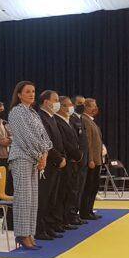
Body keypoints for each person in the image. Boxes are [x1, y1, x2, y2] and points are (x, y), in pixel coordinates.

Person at [6, 81, 51, 250]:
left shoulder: (33, 112)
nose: (32, 94)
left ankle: (30, 233)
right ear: (19, 95)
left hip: (35, 158)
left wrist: (45, 154)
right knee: (23, 198)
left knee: (32, 199)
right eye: (27, 92)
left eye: (33, 91)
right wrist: (40, 156)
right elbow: (25, 137)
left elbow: (44, 137)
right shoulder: (16, 112)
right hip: (22, 158)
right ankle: (22, 234)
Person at [36, 90, 66, 240]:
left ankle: (49, 226)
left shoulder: (51, 117)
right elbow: (45, 142)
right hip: (47, 163)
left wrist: (63, 156)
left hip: (55, 163)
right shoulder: (41, 118)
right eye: (55, 100)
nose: (57, 103)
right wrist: (58, 158)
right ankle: (40, 229)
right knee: (43, 197)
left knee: (52, 197)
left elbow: (58, 141)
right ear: (46, 102)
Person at [54, 96, 82, 230]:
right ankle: (61, 219)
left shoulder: (69, 121)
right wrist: (75, 154)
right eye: (67, 105)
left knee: (70, 191)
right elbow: (64, 142)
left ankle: (67, 218)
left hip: (73, 161)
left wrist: (78, 153)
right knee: (63, 192)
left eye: (71, 105)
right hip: (65, 160)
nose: (70, 107)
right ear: (60, 107)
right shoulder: (57, 121)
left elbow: (76, 140)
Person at [61, 96, 87, 226]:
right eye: (79, 103)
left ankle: (73, 214)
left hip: (78, 159)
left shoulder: (75, 120)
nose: (82, 105)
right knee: (68, 190)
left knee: (76, 189)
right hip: (70, 159)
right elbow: (66, 142)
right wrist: (77, 154)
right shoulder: (68, 120)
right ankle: (67, 216)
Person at [79, 98, 103, 220]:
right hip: (92, 161)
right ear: (86, 107)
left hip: (97, 160)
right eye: (93, 106)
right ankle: (85, 211)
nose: (95, 108)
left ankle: (89, 210)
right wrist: (90, 159)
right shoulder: (85, 120)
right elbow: (88, 142)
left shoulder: (91, 121)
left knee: (94, 187)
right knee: (88, 187)